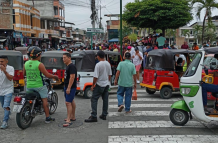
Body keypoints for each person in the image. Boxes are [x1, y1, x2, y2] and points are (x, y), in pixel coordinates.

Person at [24, 46, 59, 123]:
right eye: (40, 55)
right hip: (39, 86)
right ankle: (47, 118)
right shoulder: (40, 64)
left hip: (29, 86)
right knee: (45, 101)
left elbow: (24, 73)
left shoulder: (26, 63)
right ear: (37, 55)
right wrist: (54, 76)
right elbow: (47, 75)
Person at [85, 51, 112, 122]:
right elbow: (110, 75)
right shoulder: (108, 63)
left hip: (100, 84)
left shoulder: (98, 65)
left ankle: (94, 115)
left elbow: (95, 77)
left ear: (99, 56)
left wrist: (93, 85)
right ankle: (104, 114)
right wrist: (108, 82)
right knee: (105, 99)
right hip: (106, 84)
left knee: (94, 99)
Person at [62, 53, 77, 127]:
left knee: (68, 103)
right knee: (71, 101)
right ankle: (72, 116)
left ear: (69, 58)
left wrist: (69, 87)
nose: (63, 59)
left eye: (65, 57)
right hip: (67, 86)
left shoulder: (71, 66)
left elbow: (72, 77)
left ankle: (69, 119)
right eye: (63, 58)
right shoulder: (68, 66)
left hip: (71, 87)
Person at [0, 56, 14, 129]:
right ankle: (8, 112)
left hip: (8, 90)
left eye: (2, 61)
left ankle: (5, 121)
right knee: (3, 105)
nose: (0, 63)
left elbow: (10, 78)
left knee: (6, 106)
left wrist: (5, 71)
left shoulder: (11, 68)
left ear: (6, 61)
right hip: (0, 90)